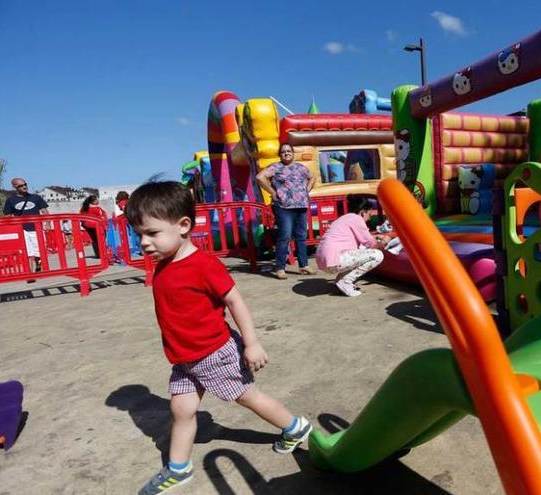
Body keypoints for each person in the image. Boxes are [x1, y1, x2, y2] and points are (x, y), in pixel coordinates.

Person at [125, 181, 310, 495]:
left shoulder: (203, 265)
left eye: (152, 233)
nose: (144, 242)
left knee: (248, 396)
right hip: (185, 358)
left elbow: (235, 301)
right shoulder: (165, 264)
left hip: (214, 353)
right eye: (138, 234)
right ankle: (179, 469)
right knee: (181, 410)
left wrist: (251, 342)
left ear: (184, 225)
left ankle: (295, 427)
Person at [255, 143, 317, 280]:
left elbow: (313, 177)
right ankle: (280, 268)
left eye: (289, 151)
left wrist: (307, 189)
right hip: (283, 207)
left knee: (301, 236)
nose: (286, 153)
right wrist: (272, 192)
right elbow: (260, 177)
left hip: (301, 206)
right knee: (285, 235)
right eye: (283, 152)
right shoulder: (276, 167)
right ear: (280, 154)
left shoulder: (300, 167)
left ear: (293, 153)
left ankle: (304, 265)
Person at [315, 197, 389, 297]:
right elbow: (372, 245)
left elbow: (361, 239)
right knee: (377, 255)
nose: (370, 218)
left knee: (363, 251)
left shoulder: (346, 218)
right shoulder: (357, 219)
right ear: (363, 212)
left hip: (324, 260)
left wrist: (375, 237)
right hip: (334, 260)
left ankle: (341, 280)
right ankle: (346, 281)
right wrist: (384, 242)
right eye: (369, 214)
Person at [3, 177, 49, 278]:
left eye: (25, 184)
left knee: (40, 250)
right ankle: (29, 274)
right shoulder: (11, 200)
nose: (24, 187)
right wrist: (11, 228)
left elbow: (44, 211)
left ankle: (39, 265)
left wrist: (47, 223)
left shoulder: (36, 197)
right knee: (27, 251)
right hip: (21, 229)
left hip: (37, 228)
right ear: (15, 187)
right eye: (21, 185)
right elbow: (7, 216)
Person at [79, 195, 106, 259]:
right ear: (93, 202)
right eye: (96, 200)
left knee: (94, 240)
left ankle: (98, 254)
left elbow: (81, 217)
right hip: (97, 226)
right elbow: (102, 216)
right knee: (101, 239)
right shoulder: (97, 208)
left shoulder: (84, 208)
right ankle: (102, 253)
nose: (98, 200)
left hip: (88, 226)